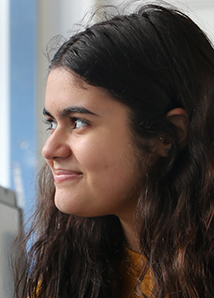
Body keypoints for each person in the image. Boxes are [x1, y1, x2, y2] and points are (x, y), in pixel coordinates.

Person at [15, 3, 214, 298]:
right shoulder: (64, 272)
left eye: (79, 122)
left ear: (166, 136)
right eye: (51, 123)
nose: (50, 149)